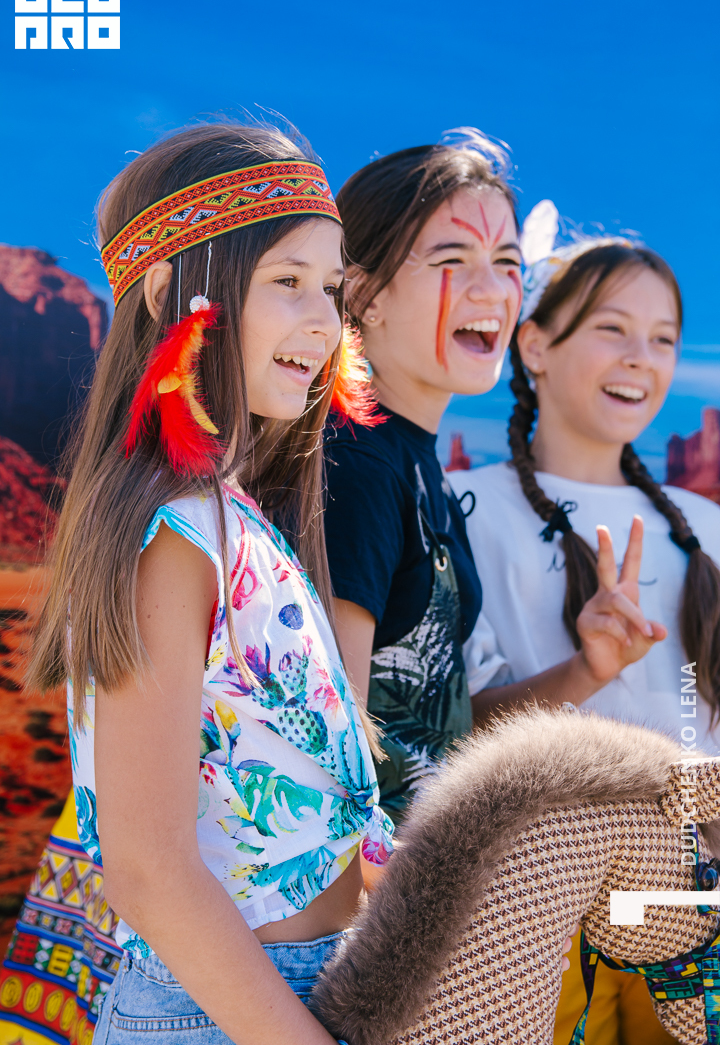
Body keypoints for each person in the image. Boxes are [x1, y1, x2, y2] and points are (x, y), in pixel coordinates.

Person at [24, 122, 393, 1045]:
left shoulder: (234, 518)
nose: (324, 322)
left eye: (331, 289)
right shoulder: (171, 532)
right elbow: (148, 868)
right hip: (225, 1015)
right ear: (168, 293)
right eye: (287, 281)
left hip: (296, 990)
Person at [324, 133, 666, 824]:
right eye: (452, 259)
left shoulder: (417, 467)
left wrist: (588, 669)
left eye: (507, 263)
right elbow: (329, 757)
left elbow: (444, 732)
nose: (492, 290)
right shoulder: (355, 466)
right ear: (362, 293)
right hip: (374, 887)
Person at [449, 215, 720, 1045]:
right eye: (612, 329)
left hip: (686, 897)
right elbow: (456, 725)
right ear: (534, 346)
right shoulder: (467, 509)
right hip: (538, 904)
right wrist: (587, 671)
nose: (642, 358)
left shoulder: (705, 526)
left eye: (663, 339)